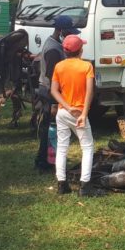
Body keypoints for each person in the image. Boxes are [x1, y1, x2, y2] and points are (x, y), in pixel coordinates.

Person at [50, 34, 103, 197]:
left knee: (62, 147)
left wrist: (67, 106)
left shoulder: (59, 66)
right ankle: (84, 186)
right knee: (87, 147)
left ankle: (61, 184)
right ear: (80, 50)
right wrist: (83, 113)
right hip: (79, 113)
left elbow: (53, 91)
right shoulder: (86, 66)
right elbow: (89, 92)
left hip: (63, 112)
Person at [33, 15, 80, 172]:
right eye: (68, 33)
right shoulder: (53, 49)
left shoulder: (55, 44)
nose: (70, 36)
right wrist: (55, 102)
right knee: (49, 129)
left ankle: (46, 159)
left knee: (49, 128)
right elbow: (52, 77)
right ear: (60, 31)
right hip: (49, 93)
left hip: (49, 92)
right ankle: (44, 161)